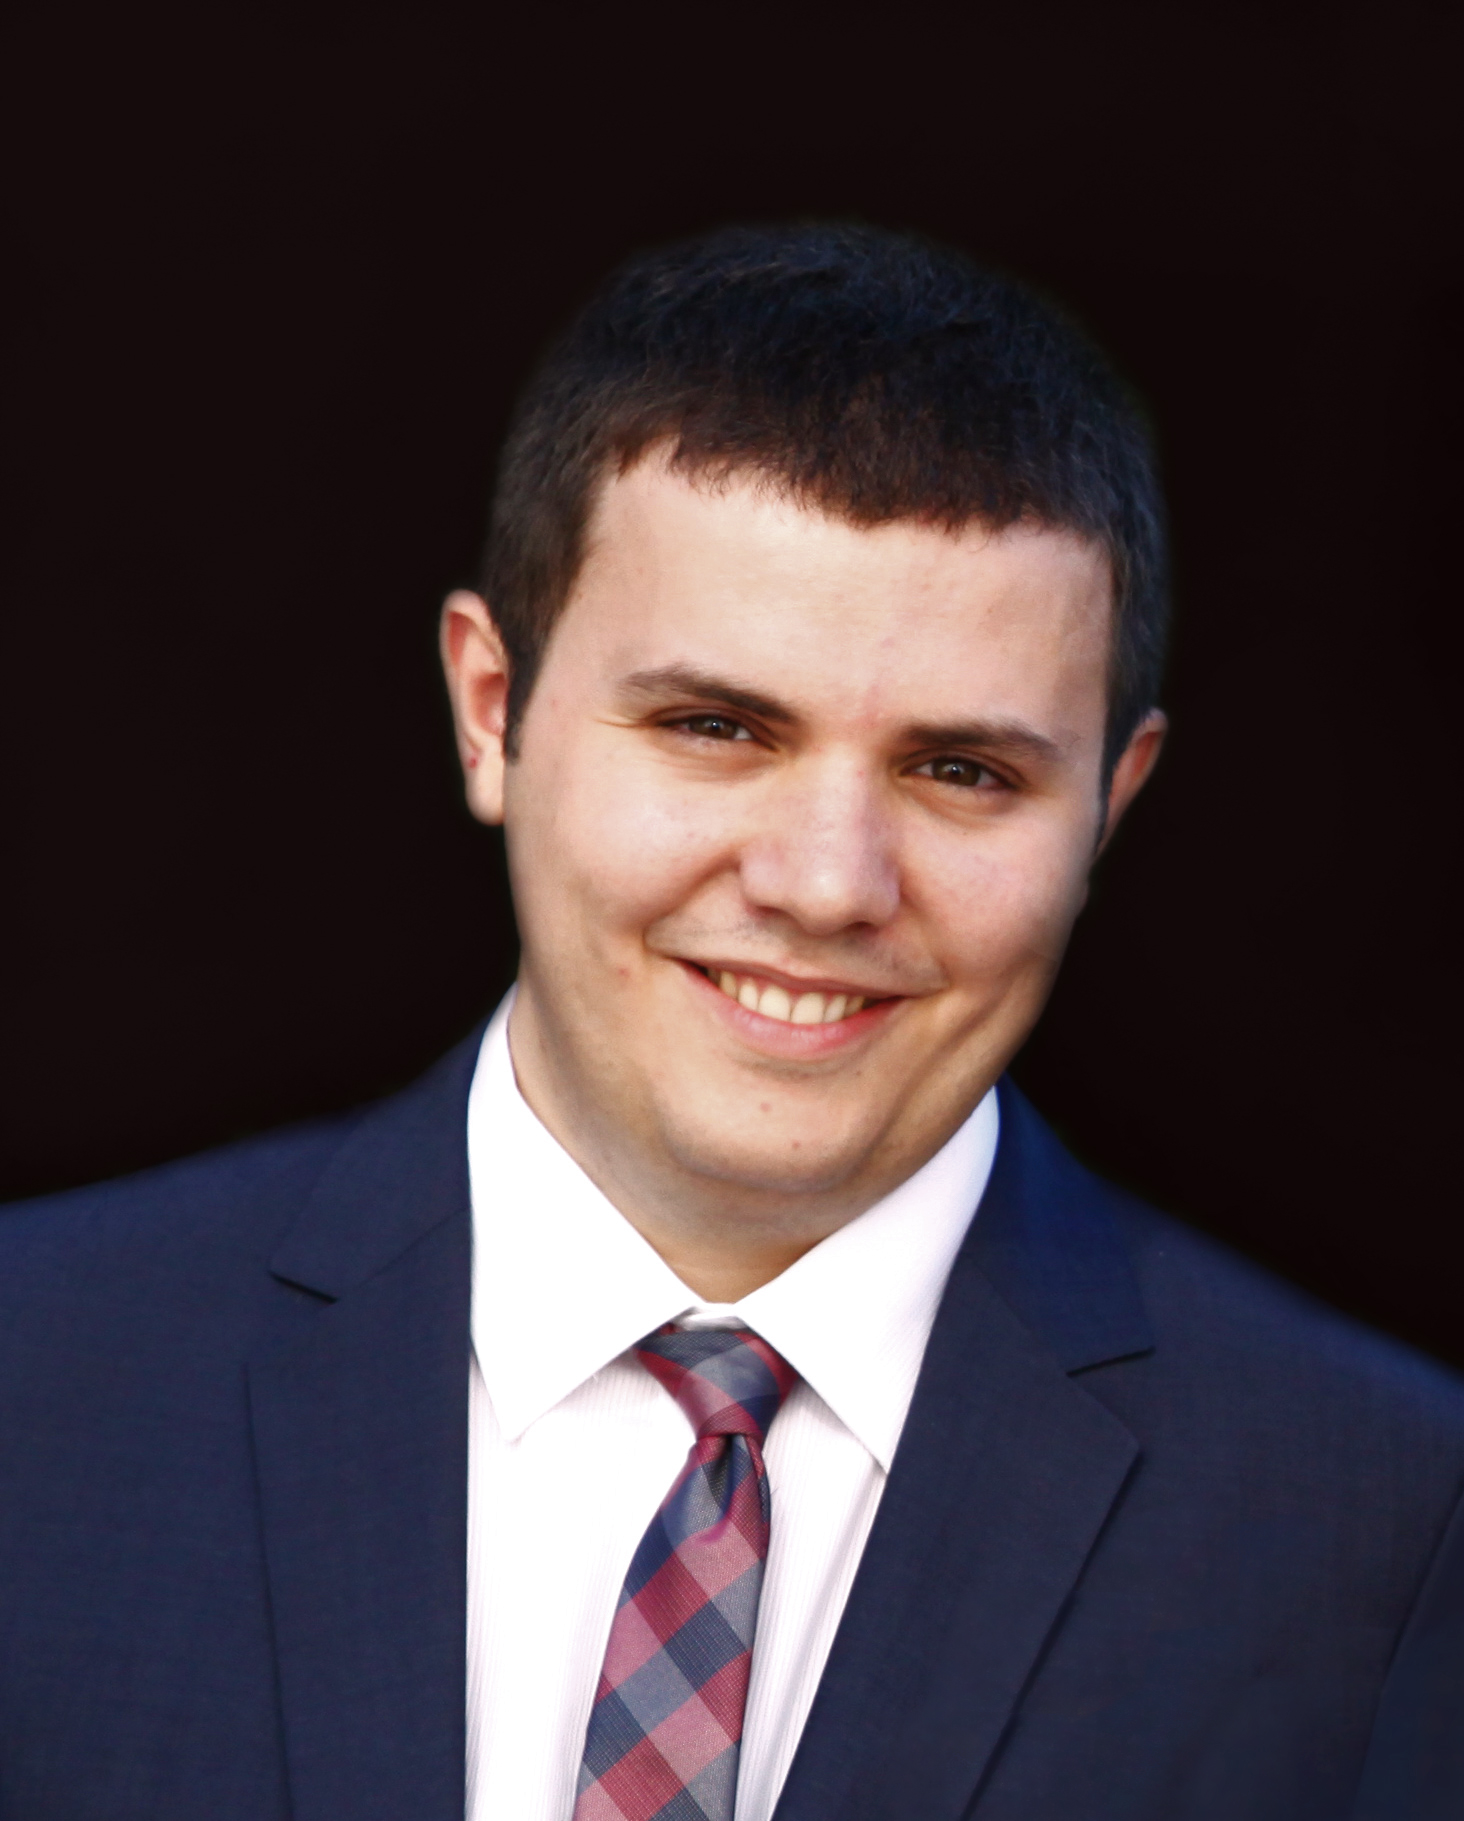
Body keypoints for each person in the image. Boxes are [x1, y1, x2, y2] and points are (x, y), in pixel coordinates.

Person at [0, 224, 1458, 1821]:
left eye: (961, 770)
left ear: (1111, 804)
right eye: (716, 726)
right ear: (492, 711)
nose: (827, 884)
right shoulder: (36, 1376)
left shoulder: (1391, 1526)